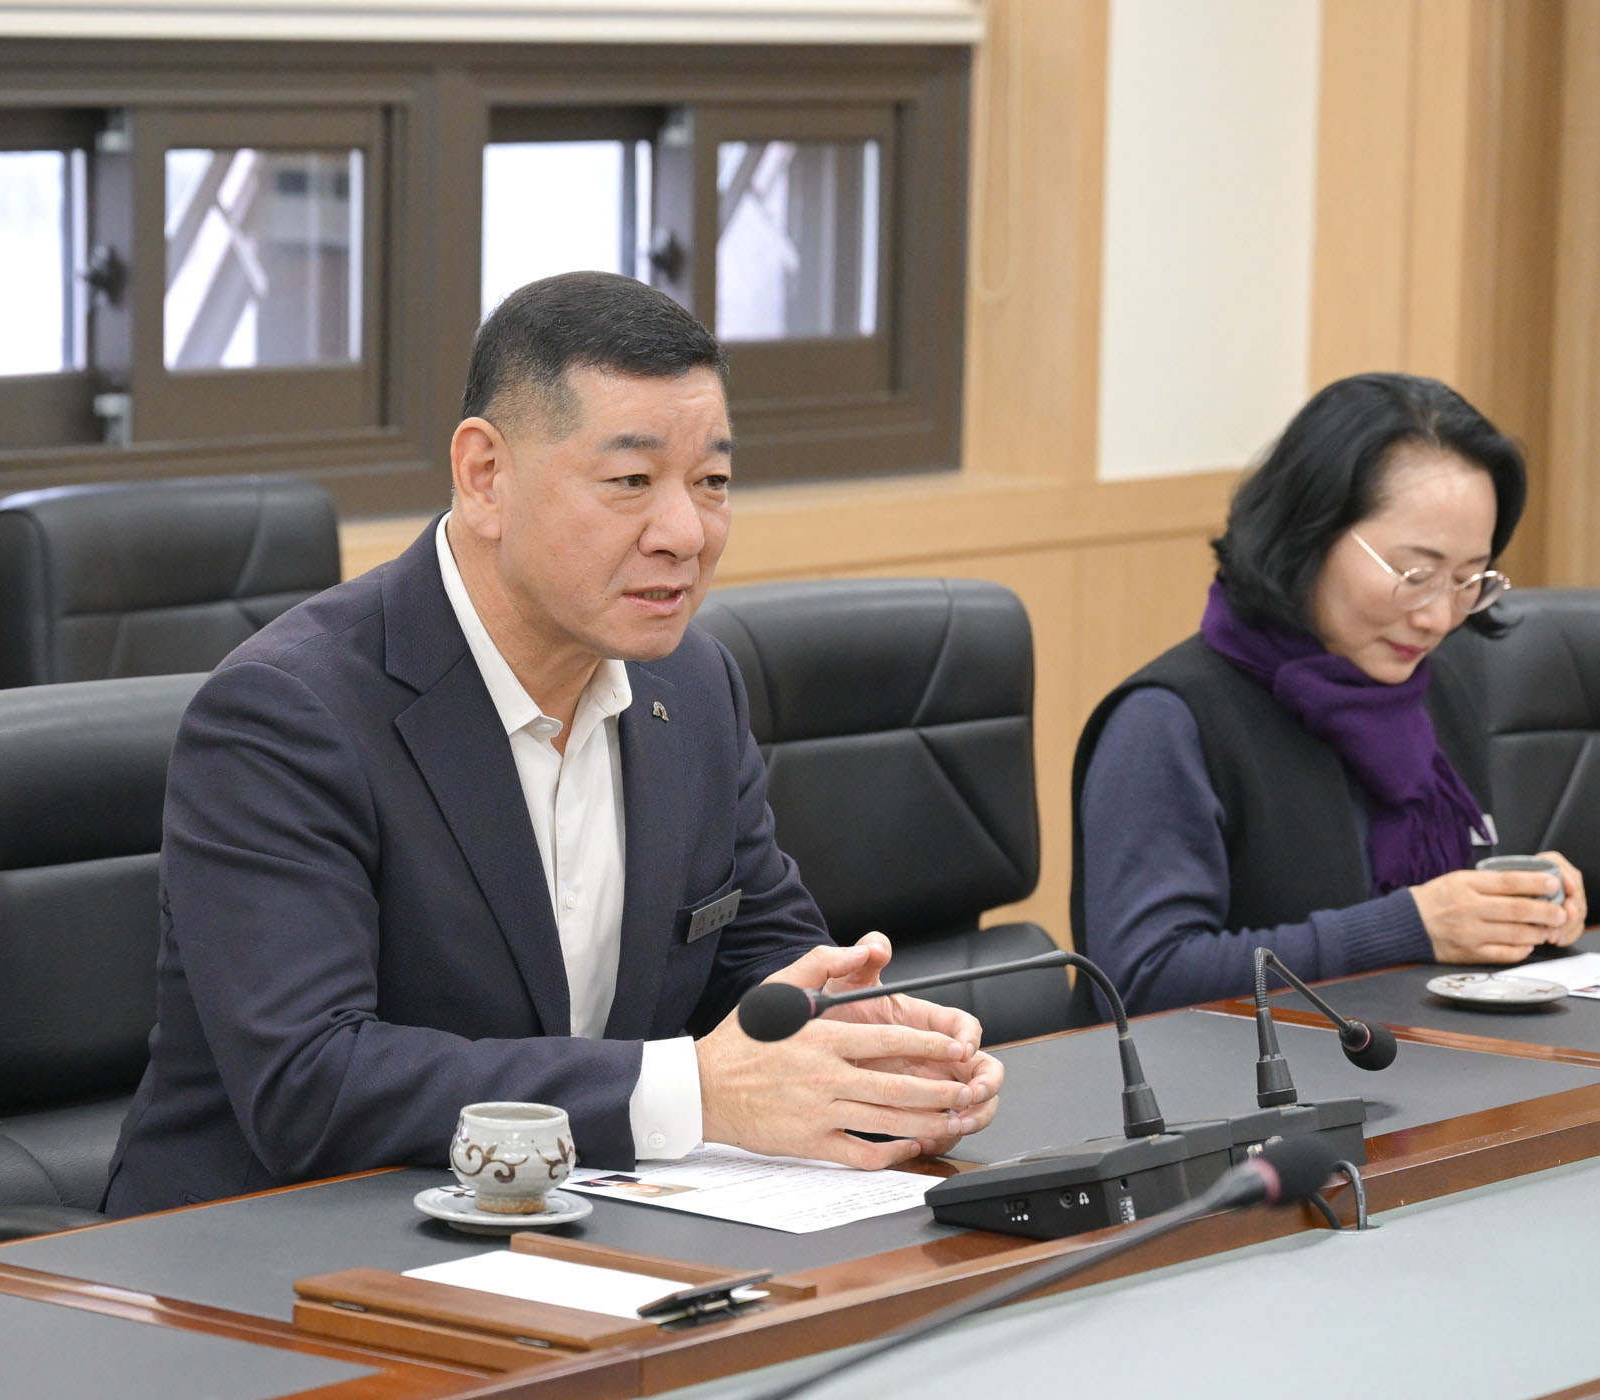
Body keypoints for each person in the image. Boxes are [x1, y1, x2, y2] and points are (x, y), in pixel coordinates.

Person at [104, 272, 1002, 1216]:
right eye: (630, 483)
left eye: (712, 483)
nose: (684, 533)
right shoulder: (286, 714)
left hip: (569, 1222)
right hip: (261, 1249)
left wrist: (850, 1044)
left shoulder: (691, 682)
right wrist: (696, 1092)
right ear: (485, 476)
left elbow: (753, 944)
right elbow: (312, 1083)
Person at [1070, 372, 1588, 1017]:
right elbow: (1142, 980)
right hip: (1241, 1072)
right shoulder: (1168, 720)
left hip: (1416, 1051)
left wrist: (1518, 912)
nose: (1437, 618)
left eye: (1468, 580)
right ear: (1308, 533)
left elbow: (1448, 922)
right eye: (1415, 574)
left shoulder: (1436, 689)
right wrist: (1408, 927)